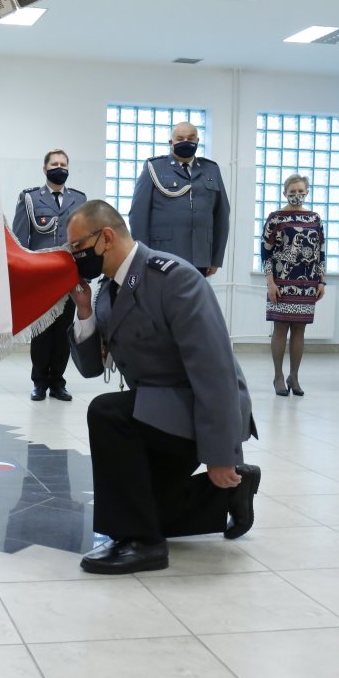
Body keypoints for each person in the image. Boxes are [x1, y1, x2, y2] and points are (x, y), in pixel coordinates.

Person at [66, 200, 260, 575]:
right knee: (145, 506)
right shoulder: (106, 291)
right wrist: (85, 311)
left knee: (107, 413)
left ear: (105, 237)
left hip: (198, 412)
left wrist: (221, 453)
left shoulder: (174, 279)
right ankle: (228, 494)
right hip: (158, 414)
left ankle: (143, 544)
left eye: (78, 247)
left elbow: (214, 372)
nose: (75, 257)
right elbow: (91, 369)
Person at [11, 149, 86, 401]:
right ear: (45, 169)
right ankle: (39, 382)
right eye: (54, 164)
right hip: (42, 279)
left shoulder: (79, 199)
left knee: (64, 331)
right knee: (42, 332)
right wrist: (23, 276)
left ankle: (58, 383)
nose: (59, 168)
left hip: (68, 276)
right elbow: (20, 241)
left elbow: (85, 240)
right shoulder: (30, 198)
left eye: (63, 164)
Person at [127, 121, 230, 276]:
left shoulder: (211, 170)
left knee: (195, 300)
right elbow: (138, 215)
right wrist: (142, 256)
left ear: (197, 141)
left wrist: (215, 258)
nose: (186, 142)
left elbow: (222, 216)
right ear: (171, 142)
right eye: (180, 138)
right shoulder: (154, 168)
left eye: (191, 138)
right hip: (162, 255)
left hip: (199, 257)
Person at [262, 174, 326, 396]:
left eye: (301, 191)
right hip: (281, 283)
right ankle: (278, 376)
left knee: (299, 330)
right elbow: (266, 253)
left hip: (307, 284)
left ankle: (294, 377)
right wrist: (270, 282)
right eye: (292, 191)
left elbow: (321, 252)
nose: (297, 195)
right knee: (280, 329)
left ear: (307, 192)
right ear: (284, 192)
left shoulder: (315, 219)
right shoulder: (275, 218)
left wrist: (322, 280)